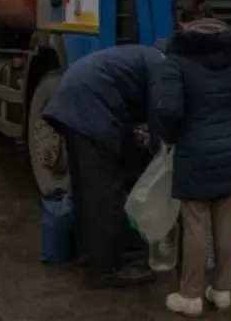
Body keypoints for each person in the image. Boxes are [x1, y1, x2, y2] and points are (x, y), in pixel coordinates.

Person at [151, 0, 231, 316]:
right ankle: (222, 290)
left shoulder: (177, 58)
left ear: (183, 23)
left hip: (195, 147)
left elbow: (167, 108)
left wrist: (169, 135)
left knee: (195, 223)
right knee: (226, 220)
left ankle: (190, 295)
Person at [42, 44, 164, 288]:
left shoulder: (146, 55)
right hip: (90, 107)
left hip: (72, 101)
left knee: (85, 187)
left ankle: (89, 252)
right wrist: (161, 146)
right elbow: (159, 110)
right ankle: (108, 268)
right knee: (104, 190)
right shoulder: (161, 65)